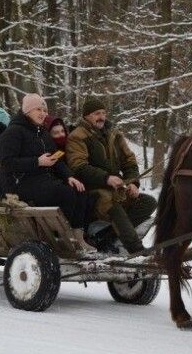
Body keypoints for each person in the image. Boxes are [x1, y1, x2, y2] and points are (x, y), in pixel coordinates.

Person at [0, 94, 95, 252]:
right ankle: (59, 238)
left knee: (80, 190)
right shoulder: (13, 132)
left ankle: (78, 238)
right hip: (18, 183)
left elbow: (56, 158)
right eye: (38, 109)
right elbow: (7, 163)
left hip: (42, 180)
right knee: (66, 193)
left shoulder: (42, 132)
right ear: (27, 111)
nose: (43, 113)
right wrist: (37, 162)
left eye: (44, 110)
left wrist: (69, 176)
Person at [66, 98, 157, 253]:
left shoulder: (114, 134)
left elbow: (129, 161)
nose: (101, 117)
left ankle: (106, 237)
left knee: (149, 202)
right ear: (86, 116)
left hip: (116, 189)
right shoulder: (77, 136)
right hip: (91, 191)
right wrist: (106, 178)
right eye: (97, 113)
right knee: (111, 204)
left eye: (103, 113)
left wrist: (134, 183)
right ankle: (136, 250)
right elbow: (79, 167)